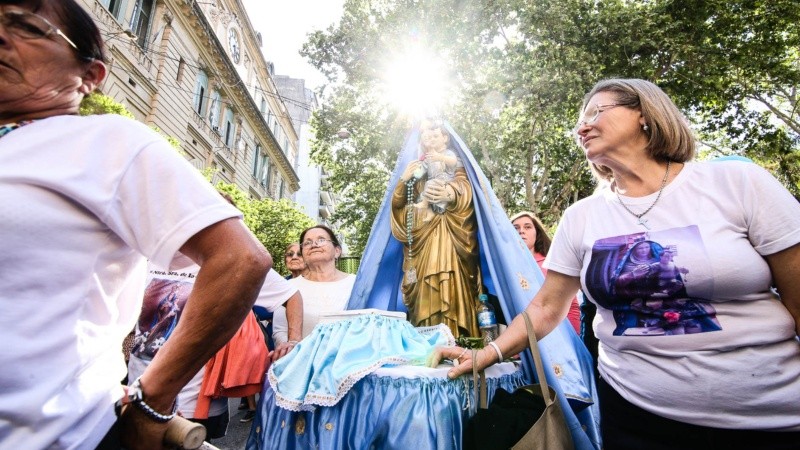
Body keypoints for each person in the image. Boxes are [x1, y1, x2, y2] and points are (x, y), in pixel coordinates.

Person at [432, 78, 800, 448]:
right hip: (634, 419)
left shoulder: (736, 183)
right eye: (580, 122)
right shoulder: (581, 217)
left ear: (644, 114)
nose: (582, 127)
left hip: (771, 420)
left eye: (596, 113)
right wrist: (487, 353)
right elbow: (545, 307)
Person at [0, 2, 272, 449]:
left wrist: (152, 401)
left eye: (28, 27)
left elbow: (240, 259)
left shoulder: (106, 141)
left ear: (90, 75)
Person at [390, 118, 482, 338]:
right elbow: (399, 208)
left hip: (452, 239)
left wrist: (449, 193)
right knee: (424, 296)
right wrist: (403, 180)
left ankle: (460, 341)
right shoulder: (418, 169)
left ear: (445, 137)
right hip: (423, 245)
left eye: (434, 134)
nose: (429, 139)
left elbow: (466, 189)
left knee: (453, 286)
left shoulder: (453, 162)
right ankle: (425, 343)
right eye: (425, 136)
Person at [272, 225, 356, 343]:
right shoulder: (289, 287)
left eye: (321, 240)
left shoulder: (356, 284)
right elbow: (280, 331)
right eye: (307, 243)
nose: (314, 244)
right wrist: (295, 350)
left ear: (337, 251)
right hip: (301, 354)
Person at [511, 211, 582, 334]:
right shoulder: (506, 267)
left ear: (537, 233)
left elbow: (571, 306)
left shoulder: (552, 265)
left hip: (557, 333)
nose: (521, 231)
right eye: (516, 228)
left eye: (527, 227)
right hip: (520, 334)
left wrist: (573, 336)